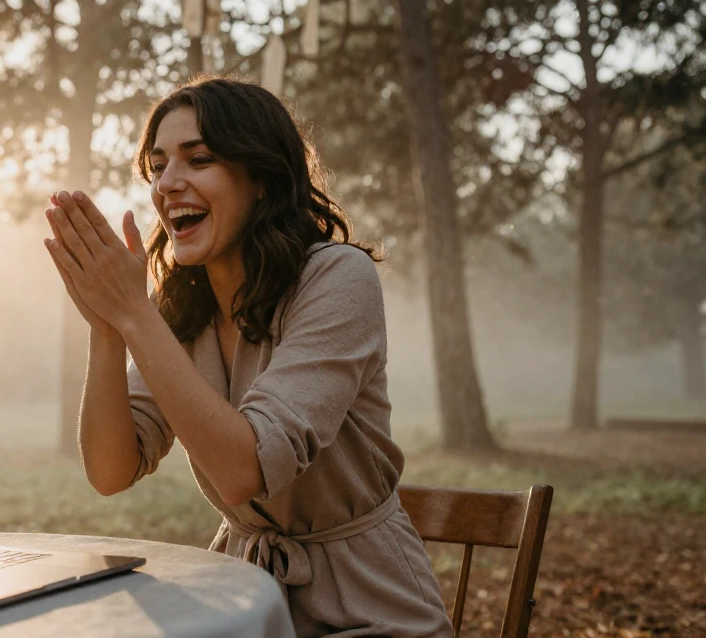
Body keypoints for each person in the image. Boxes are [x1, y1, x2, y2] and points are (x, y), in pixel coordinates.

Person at [41, 76, 452, 637]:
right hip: (243, 599)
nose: (169, 184)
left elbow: (245, 472)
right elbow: (112, 471)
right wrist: (109, 328)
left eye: (199, 158)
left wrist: (135, 316)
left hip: (370, 610)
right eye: (158, 166)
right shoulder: (183, 309)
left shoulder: (337, 279)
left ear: (260, 178)